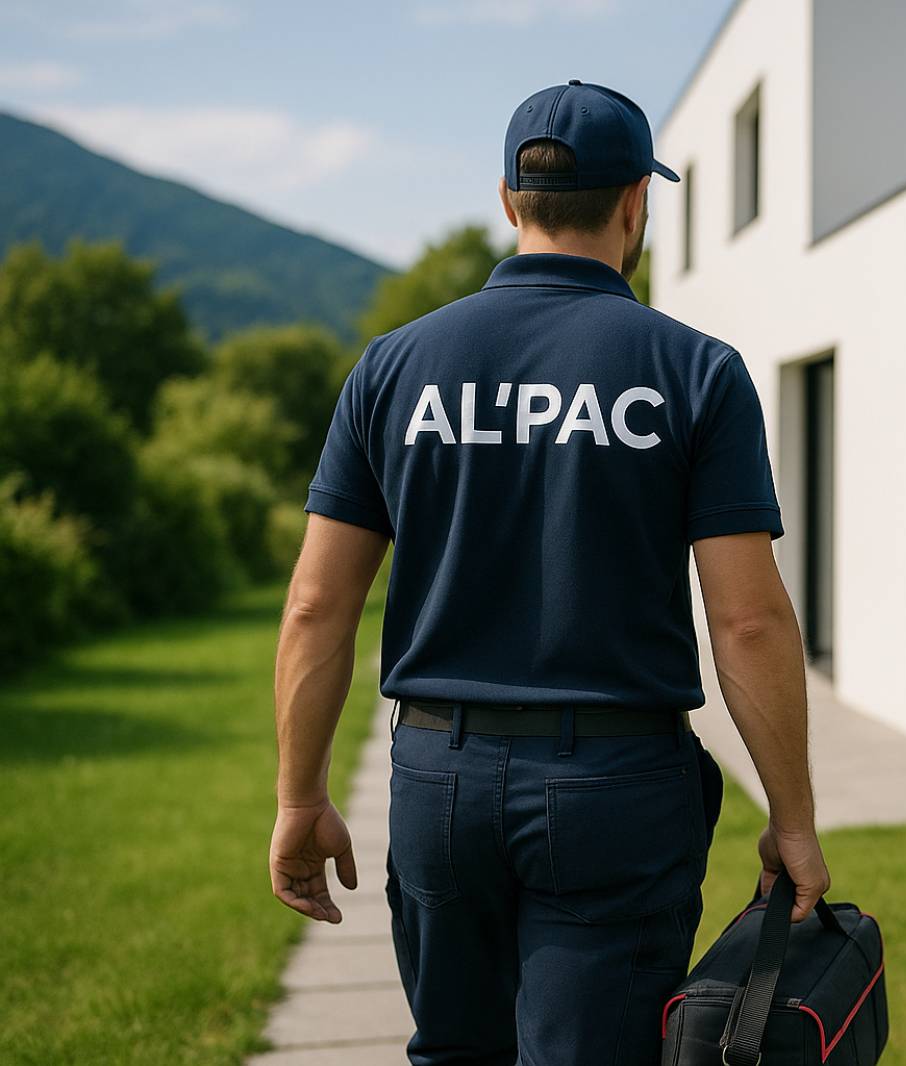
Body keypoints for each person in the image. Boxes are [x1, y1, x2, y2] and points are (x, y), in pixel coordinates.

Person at [268, 79, 828, 1065]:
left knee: (454, 1052)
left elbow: (317, 605)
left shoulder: (393, 366)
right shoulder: (695, 370)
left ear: (507, 200)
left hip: (438, 781)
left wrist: (298, 796)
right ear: (635, 204)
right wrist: (793, 818)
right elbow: (747, 623)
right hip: (615, 786)